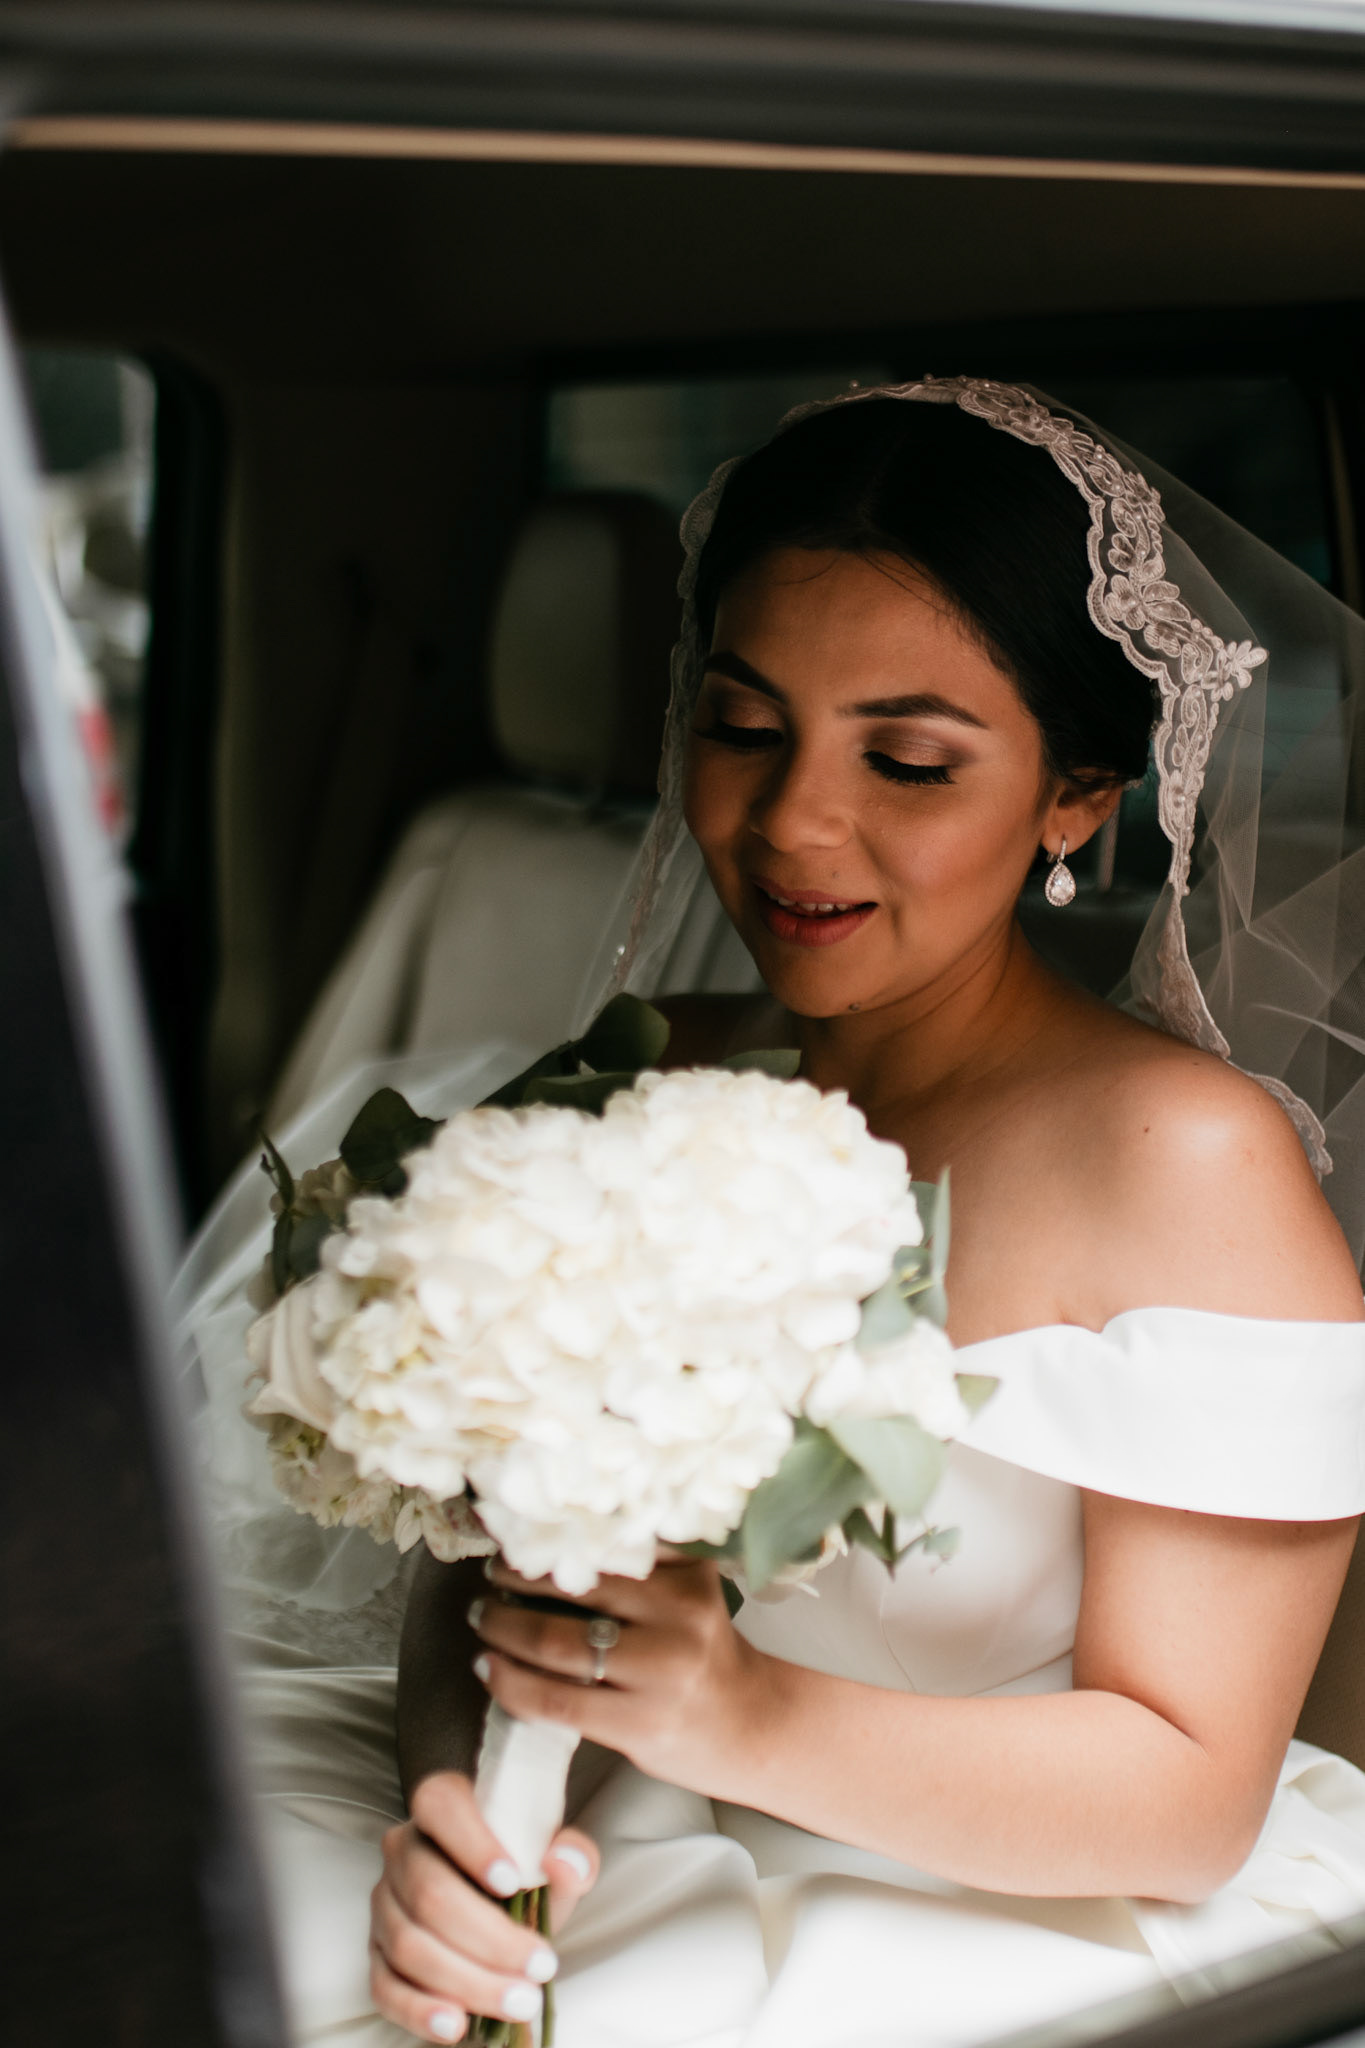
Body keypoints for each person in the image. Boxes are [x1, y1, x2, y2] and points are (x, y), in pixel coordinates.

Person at [181, 381, 1365, 2048]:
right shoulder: (627, 1080)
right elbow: (476, 1564)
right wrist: (465, 1828)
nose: (795, 821)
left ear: (1075, 798)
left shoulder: (1184, 1163)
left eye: (907, 761)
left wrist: (736, 1716)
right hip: (592, 1832)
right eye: (744, 730)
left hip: (995, 1913)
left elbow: (1184, 1799)